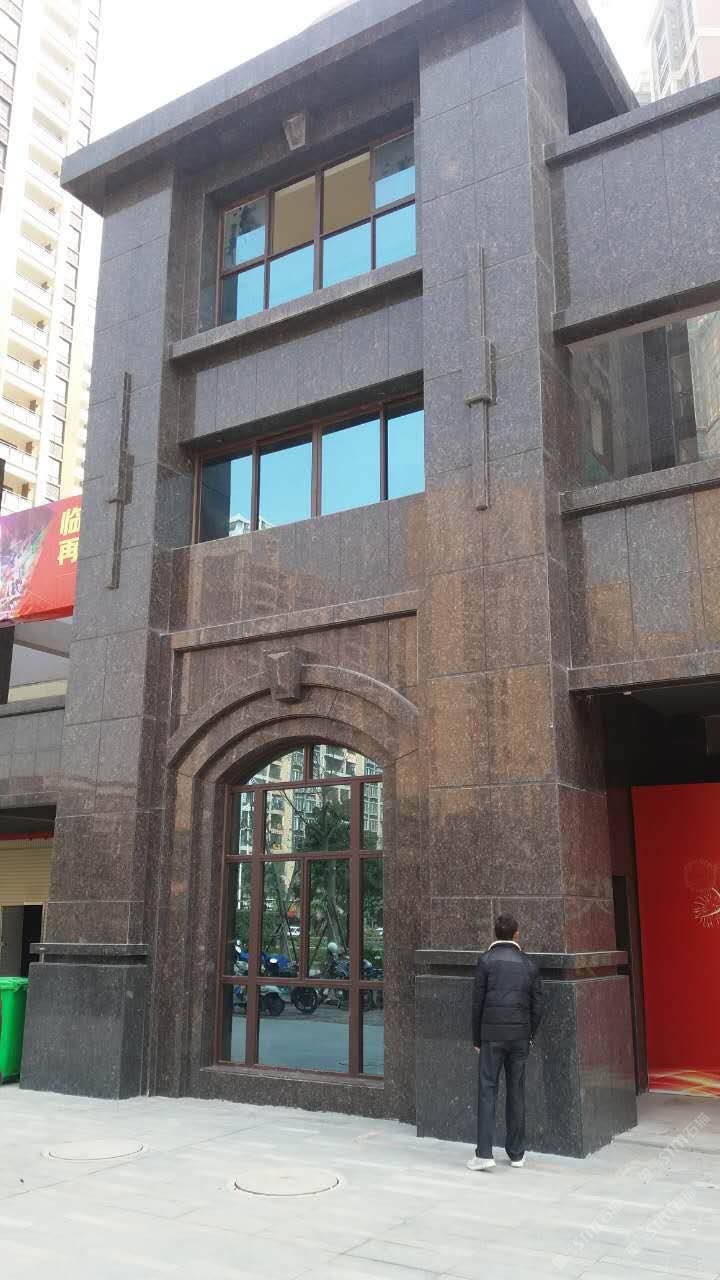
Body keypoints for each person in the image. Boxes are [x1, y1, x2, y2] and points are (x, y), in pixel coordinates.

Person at [467, 913, 543, 1171]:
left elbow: (477, 1003)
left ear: (495, 933)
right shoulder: (529, 964)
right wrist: (530, 1035)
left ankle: (484, 1153)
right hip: (520, 1037)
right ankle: (517, 1154)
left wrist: (476, 1038)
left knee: (487, 1090)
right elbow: (538, 1006)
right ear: (516, 934)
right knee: (516, 1092)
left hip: (491, 1036)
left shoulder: (486, 961)